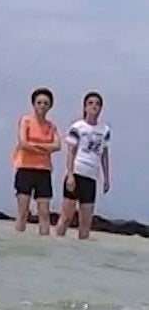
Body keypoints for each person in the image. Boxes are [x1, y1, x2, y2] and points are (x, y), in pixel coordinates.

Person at [55, 91, 112, 240]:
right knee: (66, 217)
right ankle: (56, 246)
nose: (94, 107)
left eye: (97, 104)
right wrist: (70, 174)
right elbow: (71, 152)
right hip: (77, 173)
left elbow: (104, 155)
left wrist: (106, 178)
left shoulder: (104, 130)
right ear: (85, 106)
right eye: (91, 103)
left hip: (91, 176)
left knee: (85, 222)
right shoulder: (78, 127)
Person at [11, 87, 60, 234]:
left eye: (46, 103)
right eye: (39, 102)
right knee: (23, 211)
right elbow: (23, 143)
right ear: (33, 104)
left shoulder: (51, 126)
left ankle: (44, 245)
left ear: (50, 105)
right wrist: (45, 148)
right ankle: (18, 240)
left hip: (43, 170)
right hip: (25, 168)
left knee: (44, 213)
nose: (42, 106)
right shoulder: (26, 120)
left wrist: (36, 146)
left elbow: (57, 145)